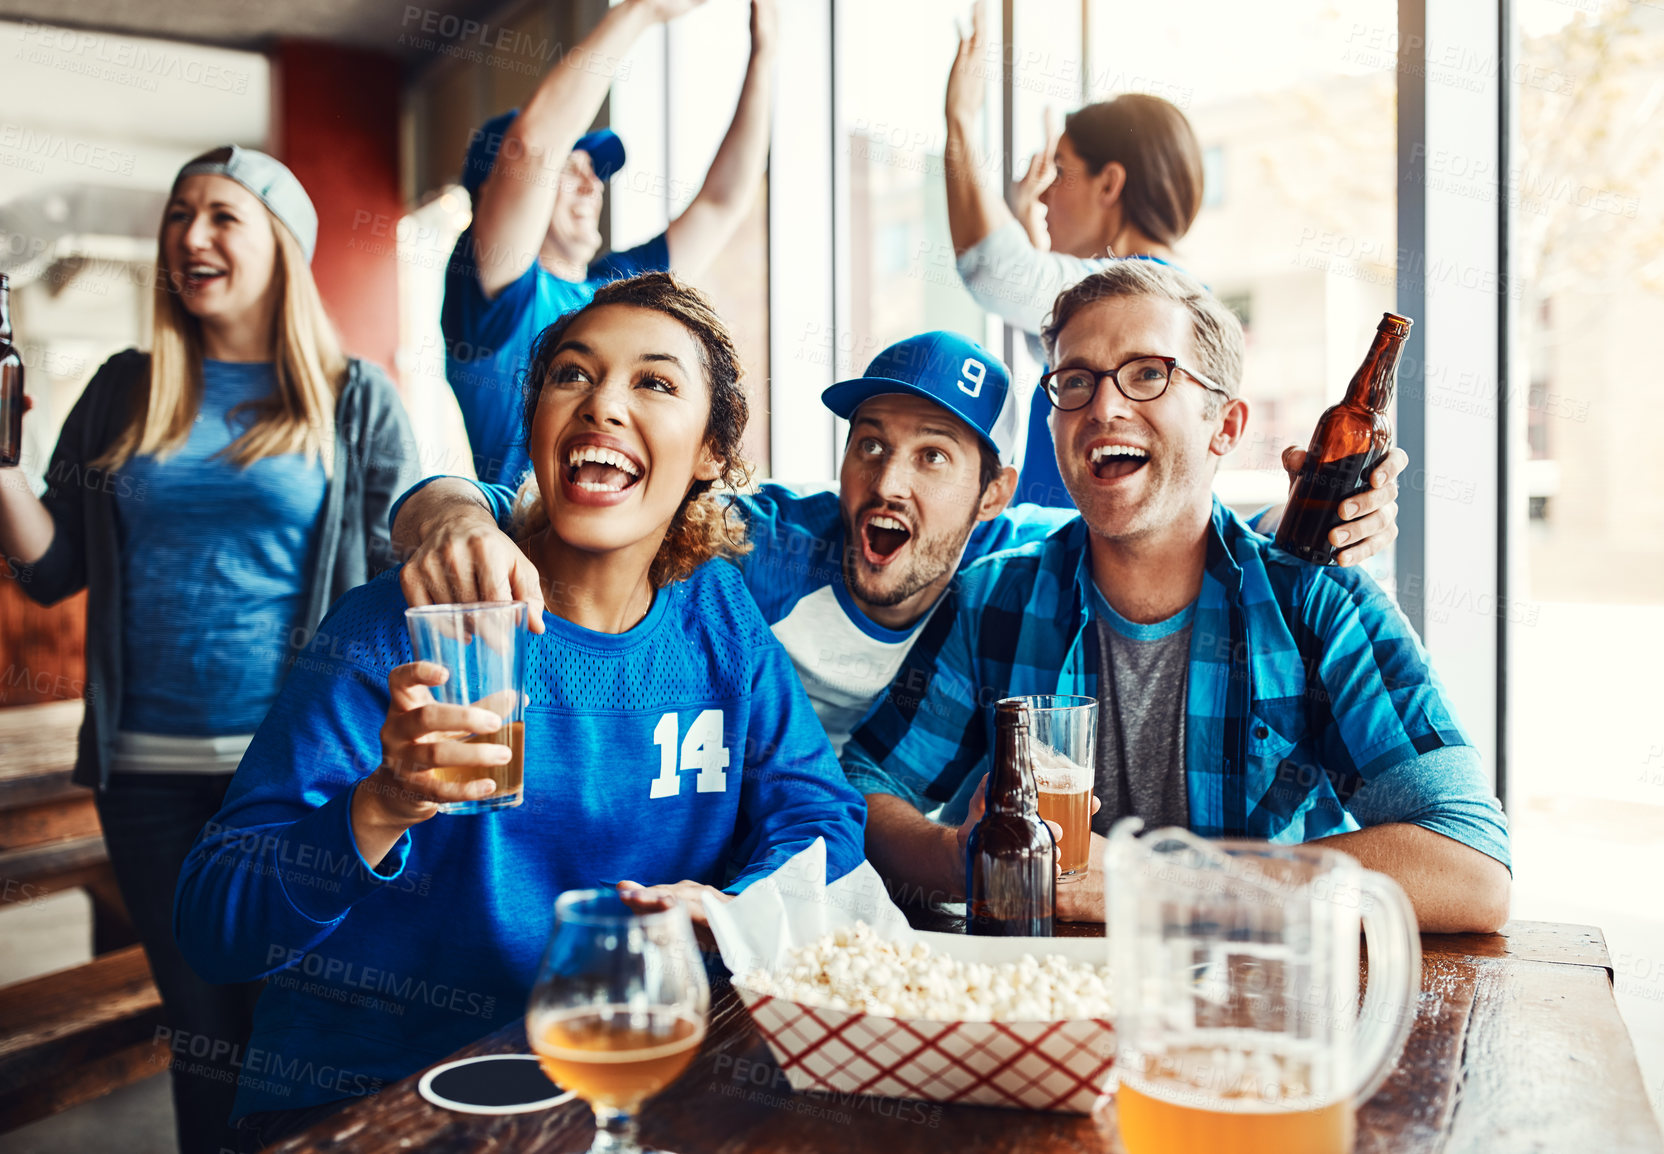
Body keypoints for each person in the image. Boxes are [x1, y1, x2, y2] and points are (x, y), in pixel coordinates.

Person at [173, 273, 866, 1148]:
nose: (602, 406)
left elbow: (823, 818)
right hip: (369, 1109)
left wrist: (726, 909)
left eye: (654, 382)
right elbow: (210, 921)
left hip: (615, 1089)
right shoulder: (403, 624)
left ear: (712, 453)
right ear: (534, 423)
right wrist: (378, 805)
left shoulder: (719, 617)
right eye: (572, 376)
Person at [840, 261, 1511, 935]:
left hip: (1256, 1009)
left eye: (1148, 373)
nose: (1103, 406)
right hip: (1051, 1006)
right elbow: (864, 789)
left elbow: (1471, 869)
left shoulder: (1319, 604)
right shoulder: (994, 598)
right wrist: (958, 855)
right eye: (1076, 381)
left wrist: (1155, 885)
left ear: (1225, 426)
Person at [388, 329, 1402, 760]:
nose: (886, 478)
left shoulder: (1019, 567)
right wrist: (446, 512)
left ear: (993, 492)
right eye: (869, 443)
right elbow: (525, 494)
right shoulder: (771, 541)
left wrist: (1322, 523)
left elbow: (1180, 536)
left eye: (930, 456)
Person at [0, 146, 418, 1154]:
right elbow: (52, 568)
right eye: (179, 216)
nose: (192, 236)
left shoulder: (354, 398)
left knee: (300, 1034)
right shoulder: (120, 391)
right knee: (206, 1039)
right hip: (144, 776)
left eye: (223, 216)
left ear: (281, 243)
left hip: (296, 772)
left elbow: (394, 581)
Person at [446, 0, 777, 488]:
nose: (592, 185)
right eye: (569, 169)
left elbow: (720, 205)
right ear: (493, 194)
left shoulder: (613, 292)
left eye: (595, 172)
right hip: (528, 548)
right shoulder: (494, 294)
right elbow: (532, 149)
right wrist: (641, 11)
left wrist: (765, 53)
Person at [946, 0, 1238, 512]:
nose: (1044, 196)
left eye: (1060, 171)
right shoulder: (1184, 301)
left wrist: (959, 122)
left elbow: (993, 267)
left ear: (1109, 183)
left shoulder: (1126, 297)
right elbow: (1051, 313)